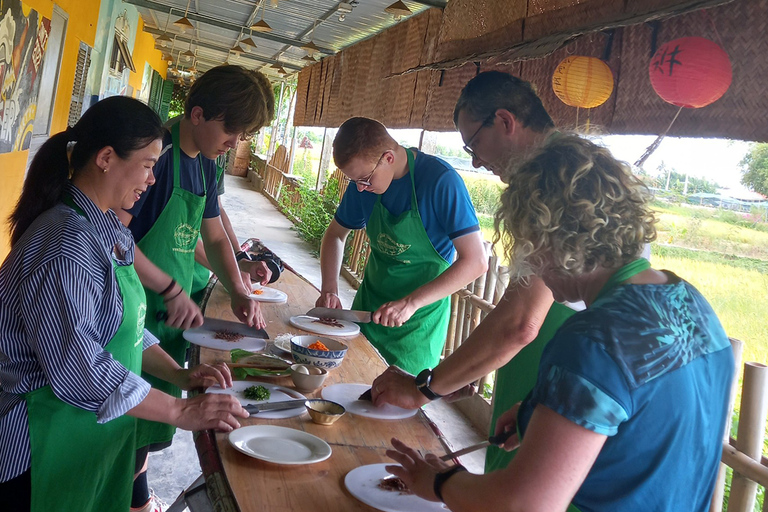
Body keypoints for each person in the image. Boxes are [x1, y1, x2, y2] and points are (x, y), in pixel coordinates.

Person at [385, 134, 734, 512]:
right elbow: (650, 419)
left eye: (526, 246)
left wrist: (438, 481)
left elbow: (522, 504)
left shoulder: (592, 341)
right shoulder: (692, 303)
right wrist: (544, 414)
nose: (528, 266)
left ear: (550, 239)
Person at [0, 96, 248, 512]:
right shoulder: (65, 245)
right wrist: (179, 410)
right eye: (149, 165)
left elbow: (123, 329)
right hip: (38, 447)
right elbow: (80, 368)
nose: (152, 180)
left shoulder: (108, 229)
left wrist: (179, 375)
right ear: (106, 158)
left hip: (82, 438)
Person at [370, 71, 577, 472]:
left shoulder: (551, 186)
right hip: (563, 367)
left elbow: (520, 322)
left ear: (504, 121)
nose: (476, 160)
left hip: (577, 360)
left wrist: (424, 389)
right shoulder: (575, 166)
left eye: (474, 143)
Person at [115, 65, 274, 511]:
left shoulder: (207, 163)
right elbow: (115, 237)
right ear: (198, 114)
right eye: (232, 130)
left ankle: (138, 501)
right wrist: (167, 288)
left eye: (243, 135)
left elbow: (216, 237)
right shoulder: (156, 159)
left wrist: (239, 287)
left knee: (144, 434)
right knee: (126, 424)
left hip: (171, 317)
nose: (234, 144)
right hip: (135, 316)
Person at [316, 117, 488, 375]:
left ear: (388, 158)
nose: (361, 189)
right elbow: (335, 236)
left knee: (397, 408)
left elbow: (476, 261)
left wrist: (410, 303)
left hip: (416, 326)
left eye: (364, 179)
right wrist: (329, 289)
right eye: (355, 182)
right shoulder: (363, 187)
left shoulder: (440, 182)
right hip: (366, 313)